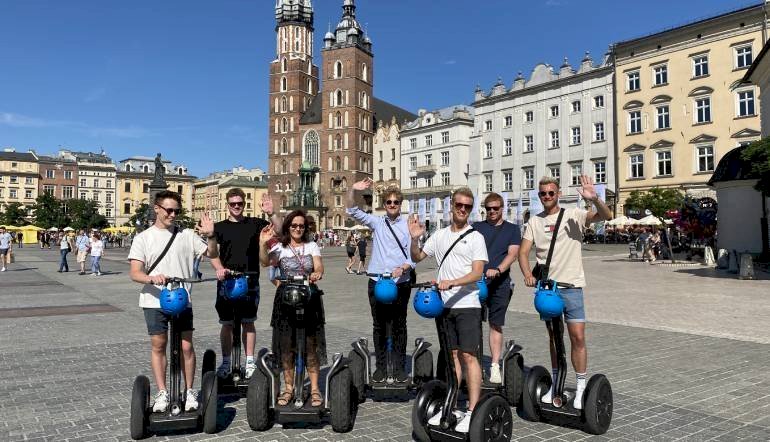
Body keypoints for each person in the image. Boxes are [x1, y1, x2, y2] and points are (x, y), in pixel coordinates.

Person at [518, 175, 611, 410]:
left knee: (577, 337)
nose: (547, 197)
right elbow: (522, 252)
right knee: (554, 338)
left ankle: (580, 386)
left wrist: (595, 198)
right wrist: (528, 274)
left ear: (558, 193)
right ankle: (557, 383)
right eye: (543, 193)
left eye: (551, 192)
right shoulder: (534, 222)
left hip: (572, 287)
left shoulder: (574, 215)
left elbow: (606, 216)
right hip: (548, 290)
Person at [408, 187, 488, 433]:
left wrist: (452, 282)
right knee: (452, 355)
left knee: (469, 357)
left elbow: (478, 272)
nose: (462, 209)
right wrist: (414, 238)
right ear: (452, 206)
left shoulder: (476, 237)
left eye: (467, 206)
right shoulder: (440, 235)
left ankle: (473, 410)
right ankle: (451, 403)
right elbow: (418, 256)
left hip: (467, 305)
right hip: (445, 306)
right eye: (459, 205)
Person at [128, 190, 209, 413]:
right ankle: (162, 391)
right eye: (169, 210)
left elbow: (212, 253)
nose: (173, 215)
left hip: (182, 299)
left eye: (177, 211)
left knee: (186, 346)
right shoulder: (143, 237)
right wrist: (151, 277)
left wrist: (210, 236)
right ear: (157, 208)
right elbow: (135, 272)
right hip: (154, 300)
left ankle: (190, 391)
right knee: (159, 345)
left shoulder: (187, 235)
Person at [202, 189, 278, 380]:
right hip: (227, 279)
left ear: (244, 204)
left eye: (240, 203)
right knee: (227, 323)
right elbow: (211, 253)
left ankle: (250, 361)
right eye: (232, 204)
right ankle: (227, 361)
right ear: (227, 205)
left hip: (249, 277)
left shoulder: (255, 223)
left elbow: (280, 229)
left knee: (248, 322)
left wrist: (271, 213)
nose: (236, 206)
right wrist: (218, 267)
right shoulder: (219, 227)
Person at [346, 178, 415, 382]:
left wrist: (404, 266)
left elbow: (415, 254)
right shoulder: (377, 221)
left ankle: (400, 366)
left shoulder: (408, 225)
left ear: (400, 204)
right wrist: (353, 189)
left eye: (395, 202)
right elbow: (352, 211)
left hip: (400, 282)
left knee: (399, 324)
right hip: (377, 280)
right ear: (384, 204)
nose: (392, 205)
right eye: (388, 202)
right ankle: (382, 366)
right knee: (379, 325)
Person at [258, 210, 326, 407]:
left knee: (311, 346)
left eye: (301, 226)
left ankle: (314, 389)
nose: (297, 229)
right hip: (285, 299)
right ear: (288, 226)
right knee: (286, 346)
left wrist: (317, 274)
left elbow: (319, 266)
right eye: (294, 225)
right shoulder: (280, 247)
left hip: (309, 297)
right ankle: (288, 388)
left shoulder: (312, 245)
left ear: (305, 228)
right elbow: (265, 262)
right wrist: (263, 244)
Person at [471, 192, 521, 384]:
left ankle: (494, 365)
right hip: (477, 282)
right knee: (473, 323)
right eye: (489, 208)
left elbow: (513, 254)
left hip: (500, 283)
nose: (492, 211)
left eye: (496, 208)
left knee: (495, 323)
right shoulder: (476, 227)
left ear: (502, 209)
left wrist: (498, 269)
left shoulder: (512, 229)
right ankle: (473, 362)